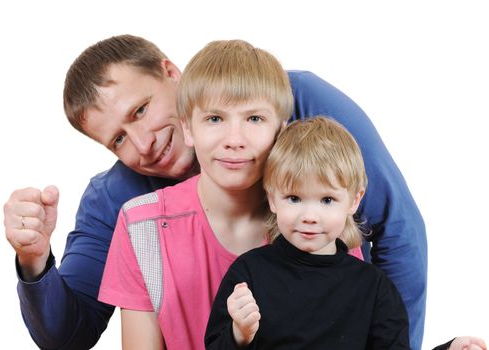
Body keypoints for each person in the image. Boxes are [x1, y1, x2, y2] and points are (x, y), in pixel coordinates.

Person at [3, 35, 426, 349]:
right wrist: (34, 261)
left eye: (141, 110)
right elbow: (67, 334)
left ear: (171, 74)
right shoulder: (122, 206)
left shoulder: (302, 103)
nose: (143, 142)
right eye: (118, 139)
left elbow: (395, 226)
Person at [98, 39, 363, 350]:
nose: (234, 140)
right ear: (188, 129)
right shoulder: (140, 225)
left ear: (281, 130)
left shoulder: (320, 218)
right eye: (214, 119)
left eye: (254, 119)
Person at [205, 116, 410, 349]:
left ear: (354, 200)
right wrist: (239, 334)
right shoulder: (249, 274)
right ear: (272, 198)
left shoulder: (374, 288)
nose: (310, 216)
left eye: (327, 200)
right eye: (294, 198)